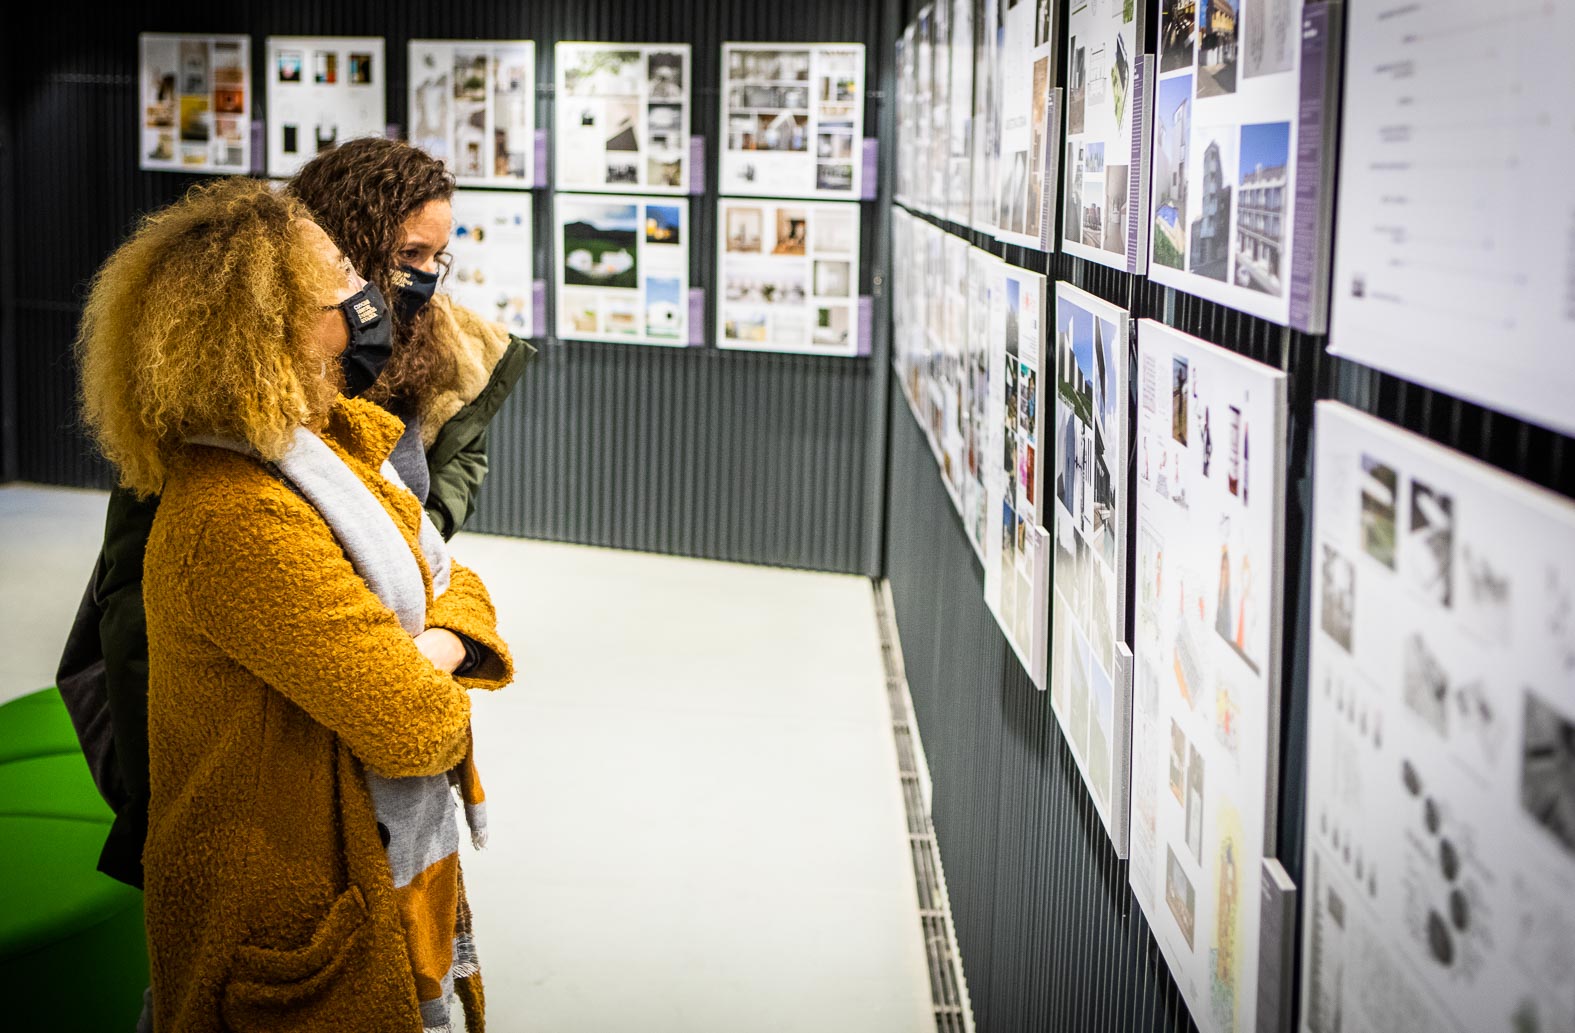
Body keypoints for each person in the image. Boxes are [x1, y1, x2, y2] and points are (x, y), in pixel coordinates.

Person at [76, 176, 513, 1032]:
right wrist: (437, 649)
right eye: (340, 278)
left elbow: (454, 580)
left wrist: (432, 644)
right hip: (282, 898)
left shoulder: (330, 443)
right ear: (268, 324)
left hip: (350, 849)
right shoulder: (238, 514)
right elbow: (416, 723)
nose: (366, 295)